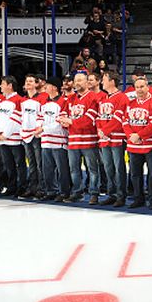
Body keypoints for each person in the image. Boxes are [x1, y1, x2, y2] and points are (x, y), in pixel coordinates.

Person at [59, 72, 101, 204]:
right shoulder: (70, 99)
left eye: (80, 80)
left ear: (87, 83)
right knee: (74, 170)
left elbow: (88, 120)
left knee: (92, 169)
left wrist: (71, 122)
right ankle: (77, 192)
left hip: (89, 140)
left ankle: (94, 193)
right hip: (73, 140)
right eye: (76, 80)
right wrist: (63, 120)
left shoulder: (93, 98)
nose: (77, 83)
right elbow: (62, 114)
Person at [123, 77, 152, 209]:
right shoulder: (130, 104)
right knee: (135, 174)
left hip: (150, 146)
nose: (139, 89)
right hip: (134, 146)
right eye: (137, 87)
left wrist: (139, 135)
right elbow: (125, 122)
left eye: (142, 87)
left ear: (147, 87)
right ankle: (138, 198)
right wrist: (130, 136)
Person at [96, 70, 130, 207]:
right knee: (108, 167)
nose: (102, 82)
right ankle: (112, 194)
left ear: (112, 81)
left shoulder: (122, 97)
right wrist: (99, 130)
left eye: (104, 79)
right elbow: (99, 117)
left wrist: (104, 130)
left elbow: (118, 119)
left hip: (116, 138)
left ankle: (121, 195)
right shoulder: (103, 98)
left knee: (118, 167)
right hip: (104, 139)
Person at [35, 76, 70, 202]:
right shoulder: (44, 102)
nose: (45, 87)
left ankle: (64, 192)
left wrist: (43, 129)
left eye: (48, 85)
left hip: (59, 141)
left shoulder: (63, 102)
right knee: (47, 169)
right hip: (46, 141)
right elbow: (39, 118)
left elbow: (60, 122)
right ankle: (51, 190)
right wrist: (38, 127)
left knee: (62, 169)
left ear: (54, 87)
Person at [0, 76, 26, 197]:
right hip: (2, 139)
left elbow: (16, 120)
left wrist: (5, 134)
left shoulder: (19, 100)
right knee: (8, 165)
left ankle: (22, 186)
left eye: (2, 84)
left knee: (19, 164)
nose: (0, 86)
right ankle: (11, 186)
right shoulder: (1, 102)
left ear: (10, 85)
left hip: (15, 139)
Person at [20, 74, 48, 198]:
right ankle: (32, 187)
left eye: (31, 81)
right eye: (27, 81)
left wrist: (38, 128)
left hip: (37, 135)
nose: (28, 83)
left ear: (36, 84)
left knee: (39, 163)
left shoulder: (43, 98)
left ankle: (42, 189)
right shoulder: (22, 100)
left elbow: (43, 116)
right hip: (26, 135)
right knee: (31, 163)